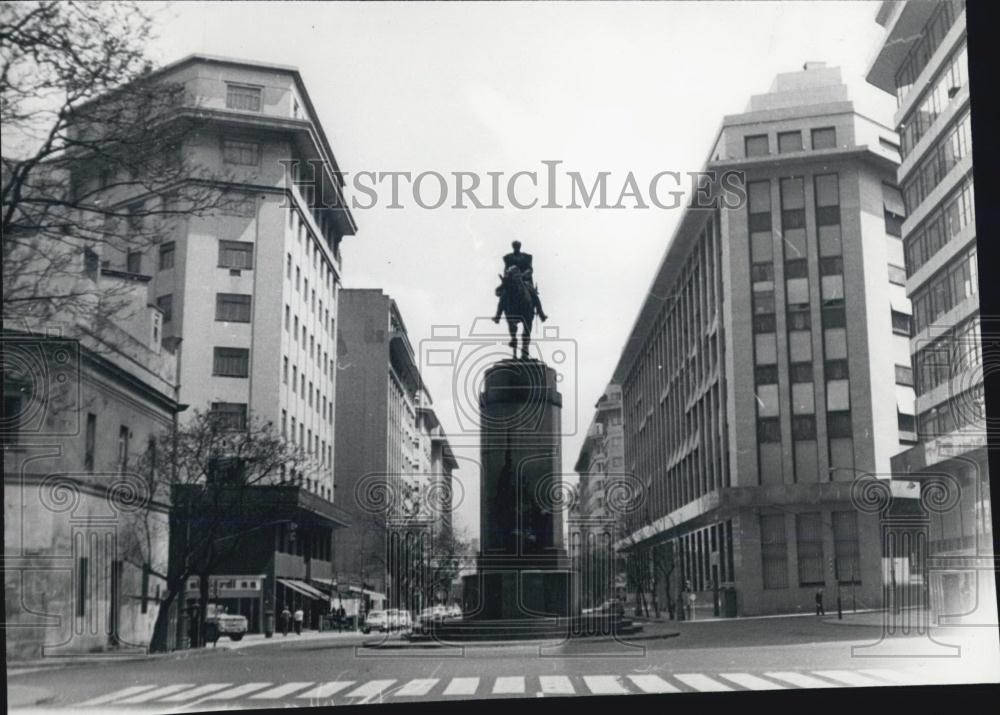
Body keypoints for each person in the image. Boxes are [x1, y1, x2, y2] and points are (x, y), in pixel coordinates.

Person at [493, 240, 548, 323]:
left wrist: (523, 275)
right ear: (513, 247)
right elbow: (506, 270)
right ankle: (498, 315)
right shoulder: (508, 257)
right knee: (504, 295)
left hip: (524, 281)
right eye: (515, 246)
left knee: (533, 294)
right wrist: (508, 277)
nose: (516, 247)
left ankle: (541, 313)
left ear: (519, 247)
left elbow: (530, 269)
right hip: (511, 281)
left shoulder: (527, 257)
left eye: (517, 246)